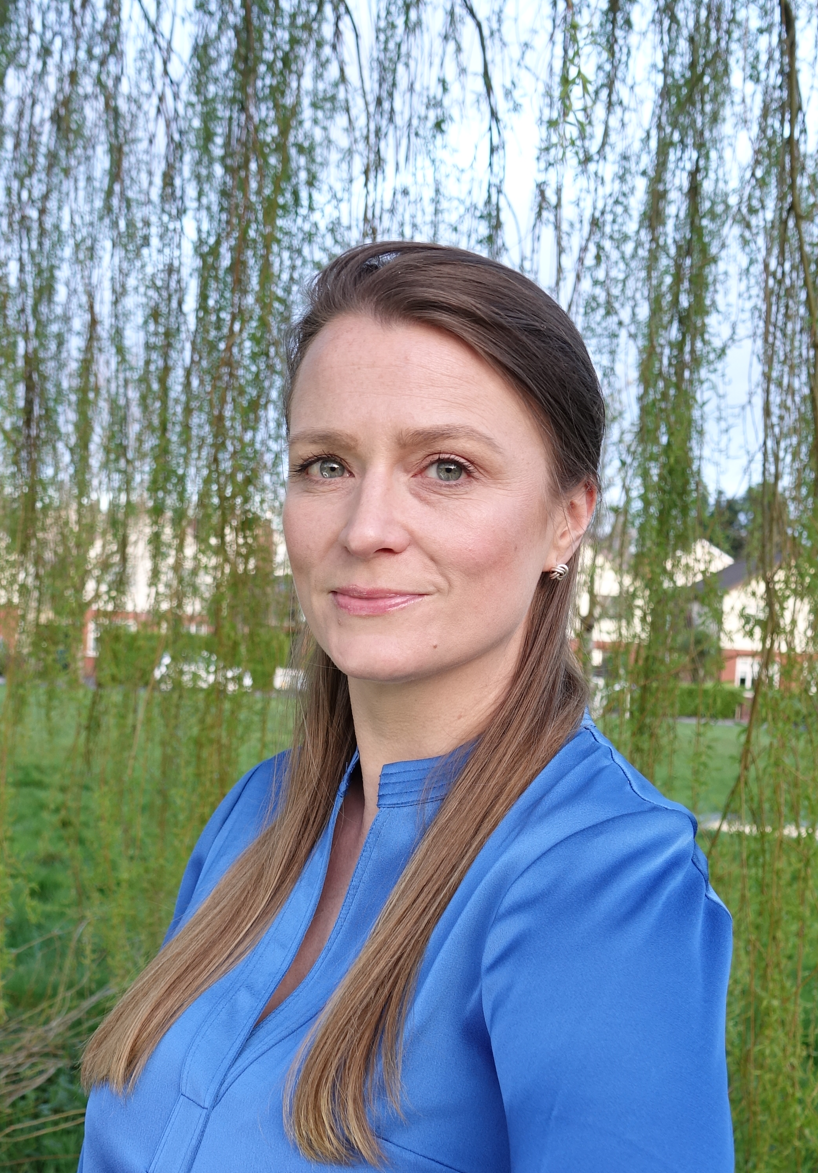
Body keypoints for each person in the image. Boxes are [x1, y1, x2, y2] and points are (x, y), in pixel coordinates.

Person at [78, 242, 733, 1172]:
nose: (367, 527)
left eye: (448, 468)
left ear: (567, 517)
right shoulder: (254, 818)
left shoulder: (607, 886)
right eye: (327, 464)